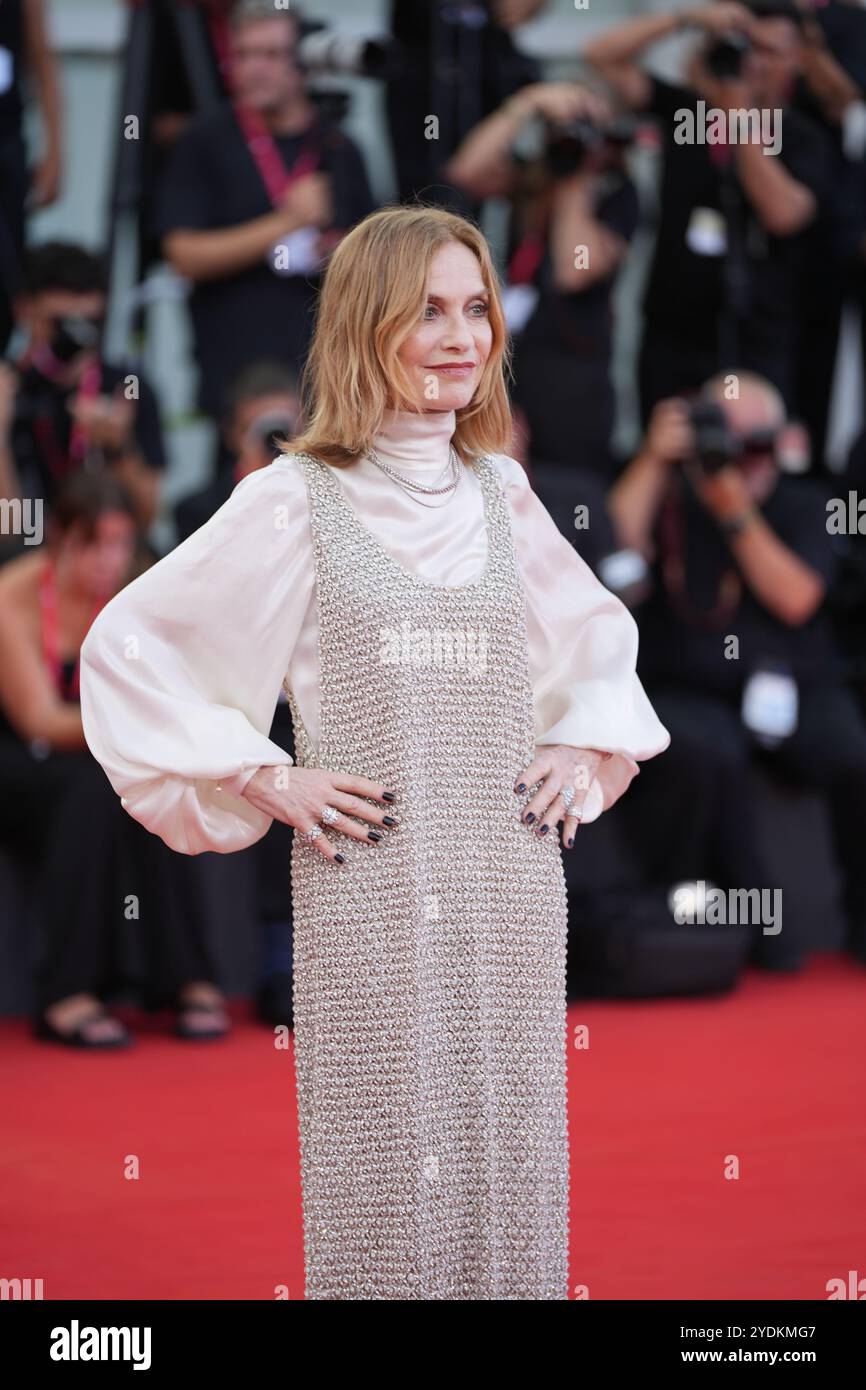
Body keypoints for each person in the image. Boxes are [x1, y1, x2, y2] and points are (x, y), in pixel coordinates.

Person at [79, 204, 669, 1300]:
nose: (460, 336)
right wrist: (265, 773)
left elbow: (599, 649)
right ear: (366, 325)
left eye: (475, 307)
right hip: (372, 892)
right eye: (427, 311)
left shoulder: (503, 491)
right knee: (384, 1182)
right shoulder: (295, 500)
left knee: (512, 1166)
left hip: (509, 882)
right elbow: (130, 647)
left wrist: (579, 753)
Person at [608, 370, 866, 969]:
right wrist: (654, 458)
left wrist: (735, 510)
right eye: (723, 439)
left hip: (795, 686)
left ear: (784, 442)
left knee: (854, 756)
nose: (738, 458)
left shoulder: (812, 503)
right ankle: (699, 928)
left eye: (756, 443)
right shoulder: (671, 492)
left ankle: (858, 920)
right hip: (694, 687)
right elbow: (609, 547)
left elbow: (796, 597)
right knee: (705, 753)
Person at [0, 473, 230, 1046]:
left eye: (121, 543)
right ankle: (66, 990)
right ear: (61, 540)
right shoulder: (13, 596)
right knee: (93, 786)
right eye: (94, 545)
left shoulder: (136, 590)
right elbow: (41, 720)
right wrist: (141, 731)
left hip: (107, 753)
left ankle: (186, 977)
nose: (109, 560)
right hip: (24, 760)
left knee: (157, 781)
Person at [584, 1, 833, 421]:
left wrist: (738, 119)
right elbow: (601, 57)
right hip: (672, 334)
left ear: (794, 59)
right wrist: (688, 19)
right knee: (665, 450)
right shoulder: (688, 110)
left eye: (767, 51)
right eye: (743, 47)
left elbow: (784, 214)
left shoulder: (804, 135)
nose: (751, 63)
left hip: (755, 340)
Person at [153, 0, 374, 451]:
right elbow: (182, 254)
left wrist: (335, 250)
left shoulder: (341, 144)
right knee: (241, 499)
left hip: (325, 370)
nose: (253, 69)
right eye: (243, 54)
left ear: (305, 63)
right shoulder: (206, 138)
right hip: (236, 366)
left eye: (270, 55)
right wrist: (287, 222)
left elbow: (374, 256)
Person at [445, 80, 640, 476]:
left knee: (568, 498)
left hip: (573, 382)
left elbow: (575, 270)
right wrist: (527, 103)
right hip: (508, 368)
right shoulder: (528, 179)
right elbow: (465, 172)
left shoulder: (617, 192)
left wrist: (577, 174)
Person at [0, 242, 167, 545]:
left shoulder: (127, 387)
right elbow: (8, 532)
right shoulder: (8, 387)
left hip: (102, 559)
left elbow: (145, 521)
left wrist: (118, 447)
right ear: (24, 310)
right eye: (62, 326)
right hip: (23, 558)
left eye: (90, 325)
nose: (76, 342)